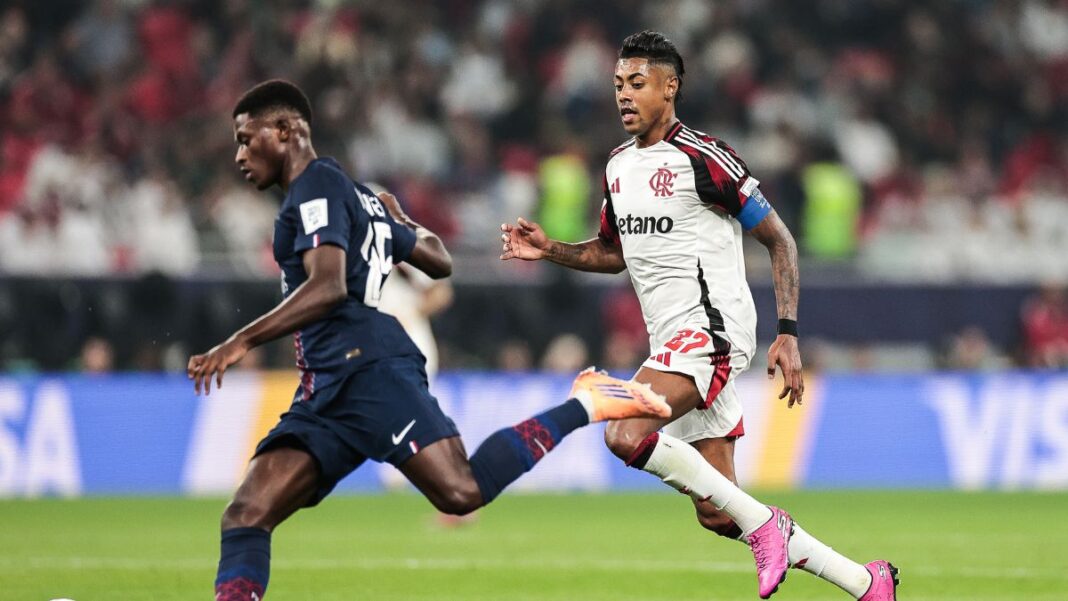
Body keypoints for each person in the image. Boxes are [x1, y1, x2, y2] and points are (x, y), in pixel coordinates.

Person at [188, 79, 672, 601]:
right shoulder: (356, 195)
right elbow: (438, 260)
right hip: (327, 383)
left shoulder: (317, 185)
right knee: (247, 512)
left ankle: (586, 402)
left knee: (460, 491)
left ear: (285, 130)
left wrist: (239, 341)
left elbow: (328, 286)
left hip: (366, 368)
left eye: (246, 139)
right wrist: (399, 220)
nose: (239, 155)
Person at [501, 31, 898, 601]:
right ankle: (864, 582)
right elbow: (613, 253)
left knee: (623, 432)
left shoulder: (705, 157)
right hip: (671, 342)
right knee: (718, 510)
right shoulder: (617, 166)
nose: (624, 95)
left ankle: (769, 527)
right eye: (618, 84)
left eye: (637, 83)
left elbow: (780, 240)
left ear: (670, 87)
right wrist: (551, 250)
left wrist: (787, 332)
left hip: (712, 330)